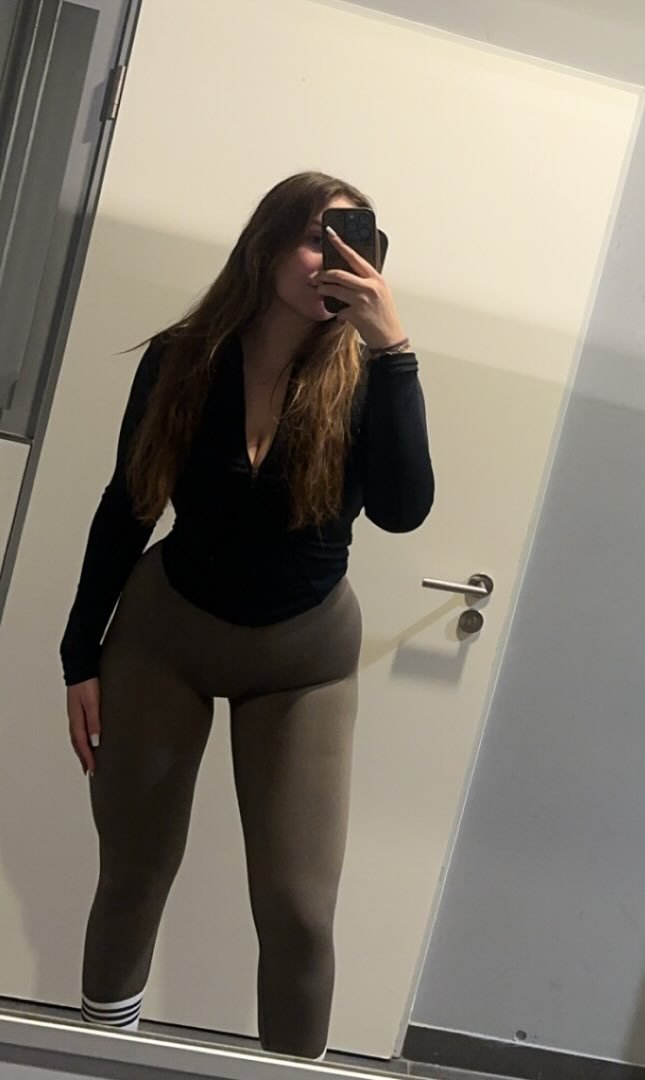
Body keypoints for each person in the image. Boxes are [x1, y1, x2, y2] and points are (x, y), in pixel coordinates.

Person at [60, 171, 434, 1061]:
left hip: (304, 655)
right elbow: (130, 502)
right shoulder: (183, 357)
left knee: (300, 912)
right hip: (167, 634)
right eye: (313, 238)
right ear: (265, 247)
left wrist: (394, 349)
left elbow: (403, 510)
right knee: (132, 877)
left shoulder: (366, 374)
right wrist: (80, 655)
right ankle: (100, 1061)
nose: (331, 259)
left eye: (352, 242)